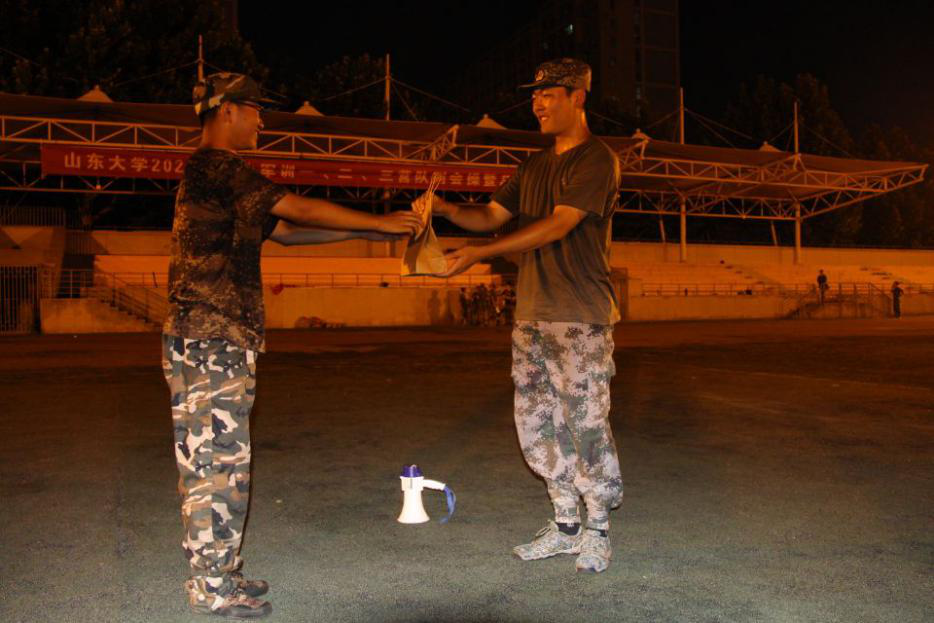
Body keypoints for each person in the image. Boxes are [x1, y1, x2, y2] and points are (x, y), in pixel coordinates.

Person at [162, 72, 419, 619]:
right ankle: (212, 585)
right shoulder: (217, 166)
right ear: (228, 110)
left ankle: (221, 570)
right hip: (210, 337)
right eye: (256, 110)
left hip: (216, 337)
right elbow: (295, 208)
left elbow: (285, 231)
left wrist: (373, 232)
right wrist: (377, 220)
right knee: (214, 466)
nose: (261, 121)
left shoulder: (217, 178)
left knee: (224, 462)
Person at [426, 58, 623, 573]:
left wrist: (480, 252)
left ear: (578, 97)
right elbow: (491, 215)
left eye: (548, 94)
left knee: (585, 424)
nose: (537, 103)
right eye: (534, 95)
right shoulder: (533, 166)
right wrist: (446, 211)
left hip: (579, 315)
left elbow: (559, 224)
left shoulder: (596, 160)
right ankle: (565, 525)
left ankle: (598, 530)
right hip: (532, 315)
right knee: (539, 423)